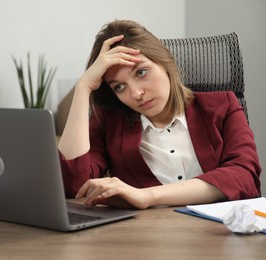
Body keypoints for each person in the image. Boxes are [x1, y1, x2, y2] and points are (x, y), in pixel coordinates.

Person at [57, 20, 261, 209]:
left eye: (141, 72)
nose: (136, 94)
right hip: (148, 240)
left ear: (165, 63)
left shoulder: (222, 105)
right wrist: (83, 88)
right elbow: (75, 186)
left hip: (219, 237)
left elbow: (245, 177)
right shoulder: (109, 121)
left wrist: (146, 196)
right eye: (119, 87)